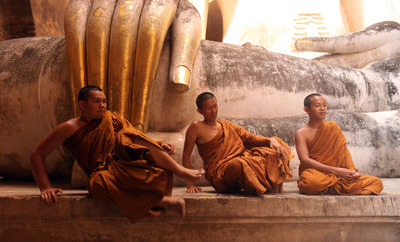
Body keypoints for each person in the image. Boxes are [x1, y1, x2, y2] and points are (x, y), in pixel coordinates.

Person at [31, 85, 205, 223]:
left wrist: (158, 145)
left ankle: (180, 170)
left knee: (124, 134)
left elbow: (135, 138)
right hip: (104, 172)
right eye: (97, 101)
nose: (103, 105)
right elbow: (37, 154)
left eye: (104, 101)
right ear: (82, 105)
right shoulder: (69, 127)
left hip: (124, 162)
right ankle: (158, 202)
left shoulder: (111, 119)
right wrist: (45, 187)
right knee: (95, 184)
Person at [182, 92, 293, 195]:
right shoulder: (195, 128)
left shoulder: (225, 125)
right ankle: (263, 187)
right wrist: (189, 184)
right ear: (200, 111)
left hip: (242, 158)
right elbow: (186, 156)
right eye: (209, 108)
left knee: (276, 143)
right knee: (239, 164)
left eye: (215, 106)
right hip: (220, 173)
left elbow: (250, 137)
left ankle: (272, 183)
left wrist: (270, 140)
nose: (213, 111)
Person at [295, 93, 383, 195]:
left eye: (324, 105)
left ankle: (330, 188)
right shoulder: (301, 133)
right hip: (316, 172)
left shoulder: (333, 128)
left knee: (376, 183)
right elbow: (305, 160)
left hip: (338, 174)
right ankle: (335, 187)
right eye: (318, 106)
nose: (322, 108)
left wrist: (351, 171)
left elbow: (343, 152)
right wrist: (336, 171)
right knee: (311, 183)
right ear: (307, 109)